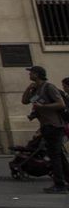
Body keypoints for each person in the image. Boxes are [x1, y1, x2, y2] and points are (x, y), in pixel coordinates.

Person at [22, 64, 67, 194]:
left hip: (54, 126)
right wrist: (29, 88)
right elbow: (25, 101)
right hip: (46, 126)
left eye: (31, 73)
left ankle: (60, 184)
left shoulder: (49, 87)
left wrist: (42, 108)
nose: (29, 75)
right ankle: (62, 181)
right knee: (57, 155)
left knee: (55, 156)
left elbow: (60, 104)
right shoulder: (36, 89)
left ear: (37, 74)